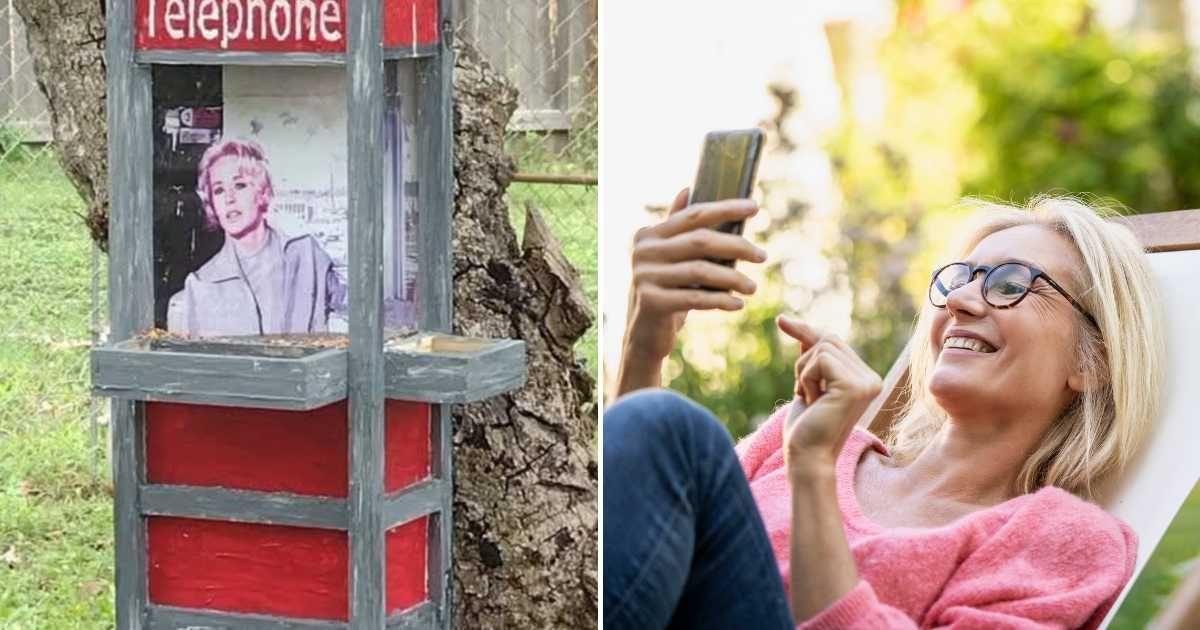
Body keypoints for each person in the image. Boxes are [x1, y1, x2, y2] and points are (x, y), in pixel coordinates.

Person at [604, 191, 1164, 629]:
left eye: (1012, 284)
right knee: (666, 428)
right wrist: (643, 348)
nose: (964, 300)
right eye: (960, 278)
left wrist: (813, 473)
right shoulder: (804, 439)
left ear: (1093, 361)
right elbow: (635, 551)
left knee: (672, 427)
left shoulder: (1062, 542)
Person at [167, 138, 345, 337]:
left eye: (240, 185)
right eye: (218, 190)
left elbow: (355, 316)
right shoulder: (200, 284)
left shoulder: (306, 257)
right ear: (212, 205)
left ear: (263, 194)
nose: (229, 198)